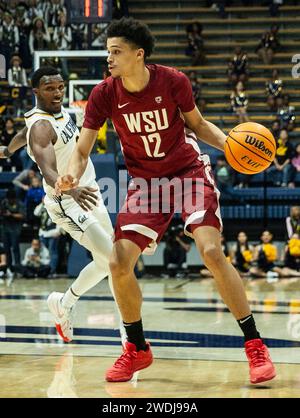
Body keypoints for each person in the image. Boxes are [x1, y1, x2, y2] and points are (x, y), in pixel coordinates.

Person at [56, 17, 276, 385]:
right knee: (119, 261)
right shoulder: (103, 93)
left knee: (210, 251)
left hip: (186, 172)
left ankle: (255, 344)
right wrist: (72, 175)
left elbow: (200, 125)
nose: (108, 58)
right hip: (146, 182)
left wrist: (234, 149)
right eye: (108, 51)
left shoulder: (173, 81)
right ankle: (137, 348)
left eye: (116, 51)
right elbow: (82, 148)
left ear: (138, 55)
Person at [0, 66, 125, 345]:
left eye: (60, 87)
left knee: (109, 262)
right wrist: (72, 188)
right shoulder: (42, 127)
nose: (57, 93)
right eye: (49, 88)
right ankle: (129, 334)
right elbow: (48, 171)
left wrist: (7, 150)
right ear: (35, 91)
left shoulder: (54, 114)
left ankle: (64, 302)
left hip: (88, 192)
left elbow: (23, 134)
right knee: (116, 262)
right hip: (67, 200)